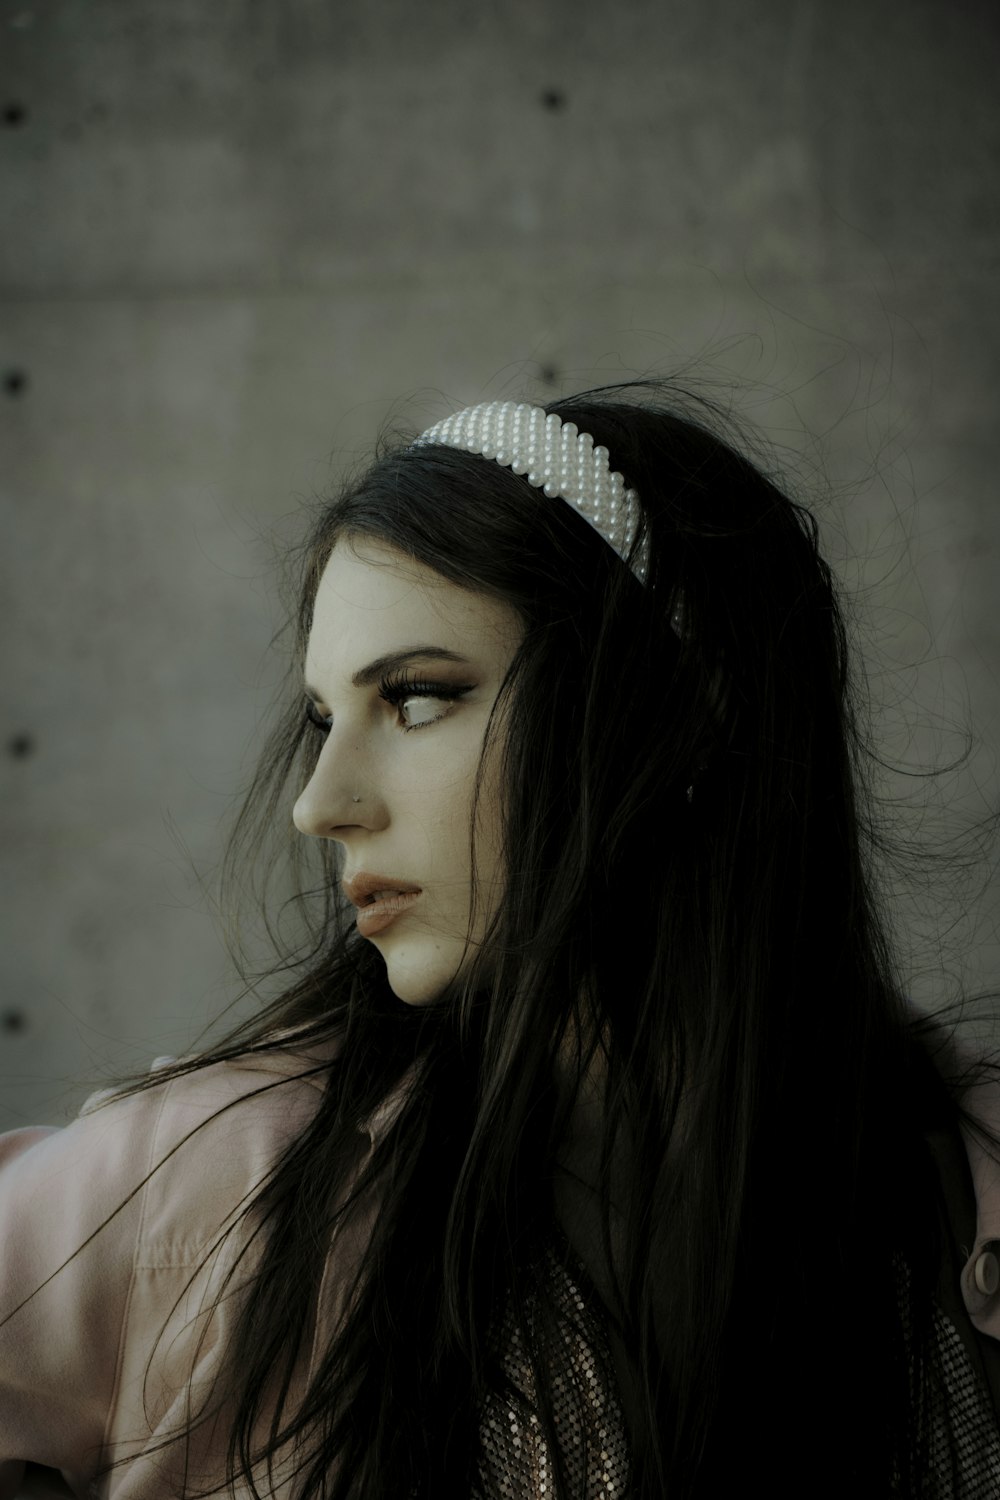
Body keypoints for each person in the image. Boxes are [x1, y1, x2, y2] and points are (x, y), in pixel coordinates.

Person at [1, 378, 999, 1499]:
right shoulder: (214, 1189)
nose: (320, 802)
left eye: (419, 699)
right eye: (327, 719)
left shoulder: (961, 1196)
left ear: (684, 710)